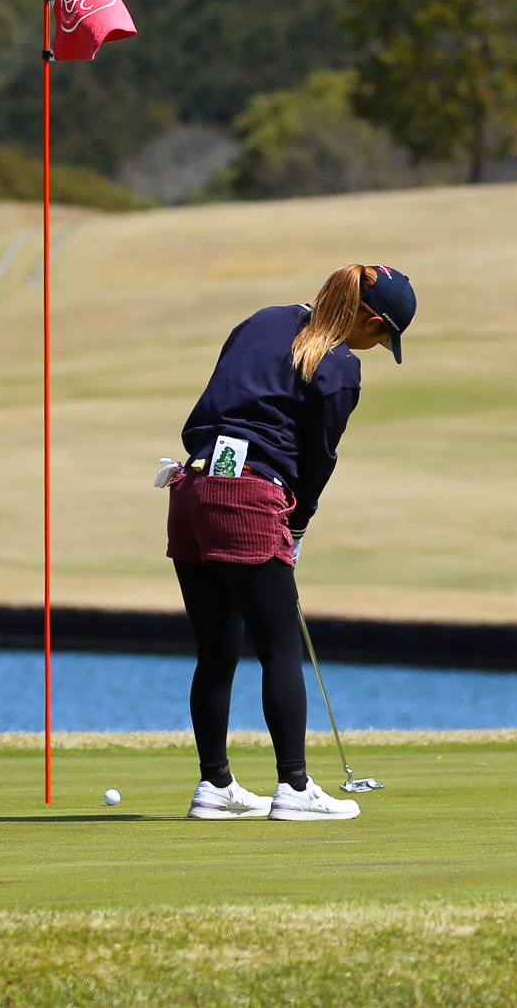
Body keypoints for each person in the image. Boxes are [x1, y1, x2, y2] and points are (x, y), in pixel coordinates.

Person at [161, 263, 416, 820]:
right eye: (382, 339)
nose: (374, 349)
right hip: (250, 497)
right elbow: (317, 461)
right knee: (280, 648)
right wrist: (296, 527)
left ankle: (215, 786)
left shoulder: (263, 319)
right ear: (372, 320)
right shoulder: (340, 366)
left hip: (192, 489)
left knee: (217, 651)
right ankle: (294, 788)